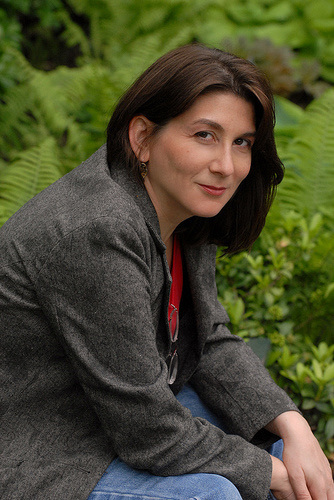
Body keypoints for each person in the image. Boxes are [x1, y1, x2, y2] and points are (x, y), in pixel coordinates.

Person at [0, 44, 333, 500]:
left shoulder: (181, 204)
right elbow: (148, 431)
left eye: (242, 143)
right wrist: (272, 474)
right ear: (142, 137)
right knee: (215, 494)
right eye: (204, 135)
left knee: (274, 439)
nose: (226, 166)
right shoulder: (94, 228)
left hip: (113, 414)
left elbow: (209, 338)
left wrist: (293, 425)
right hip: (43, 444)